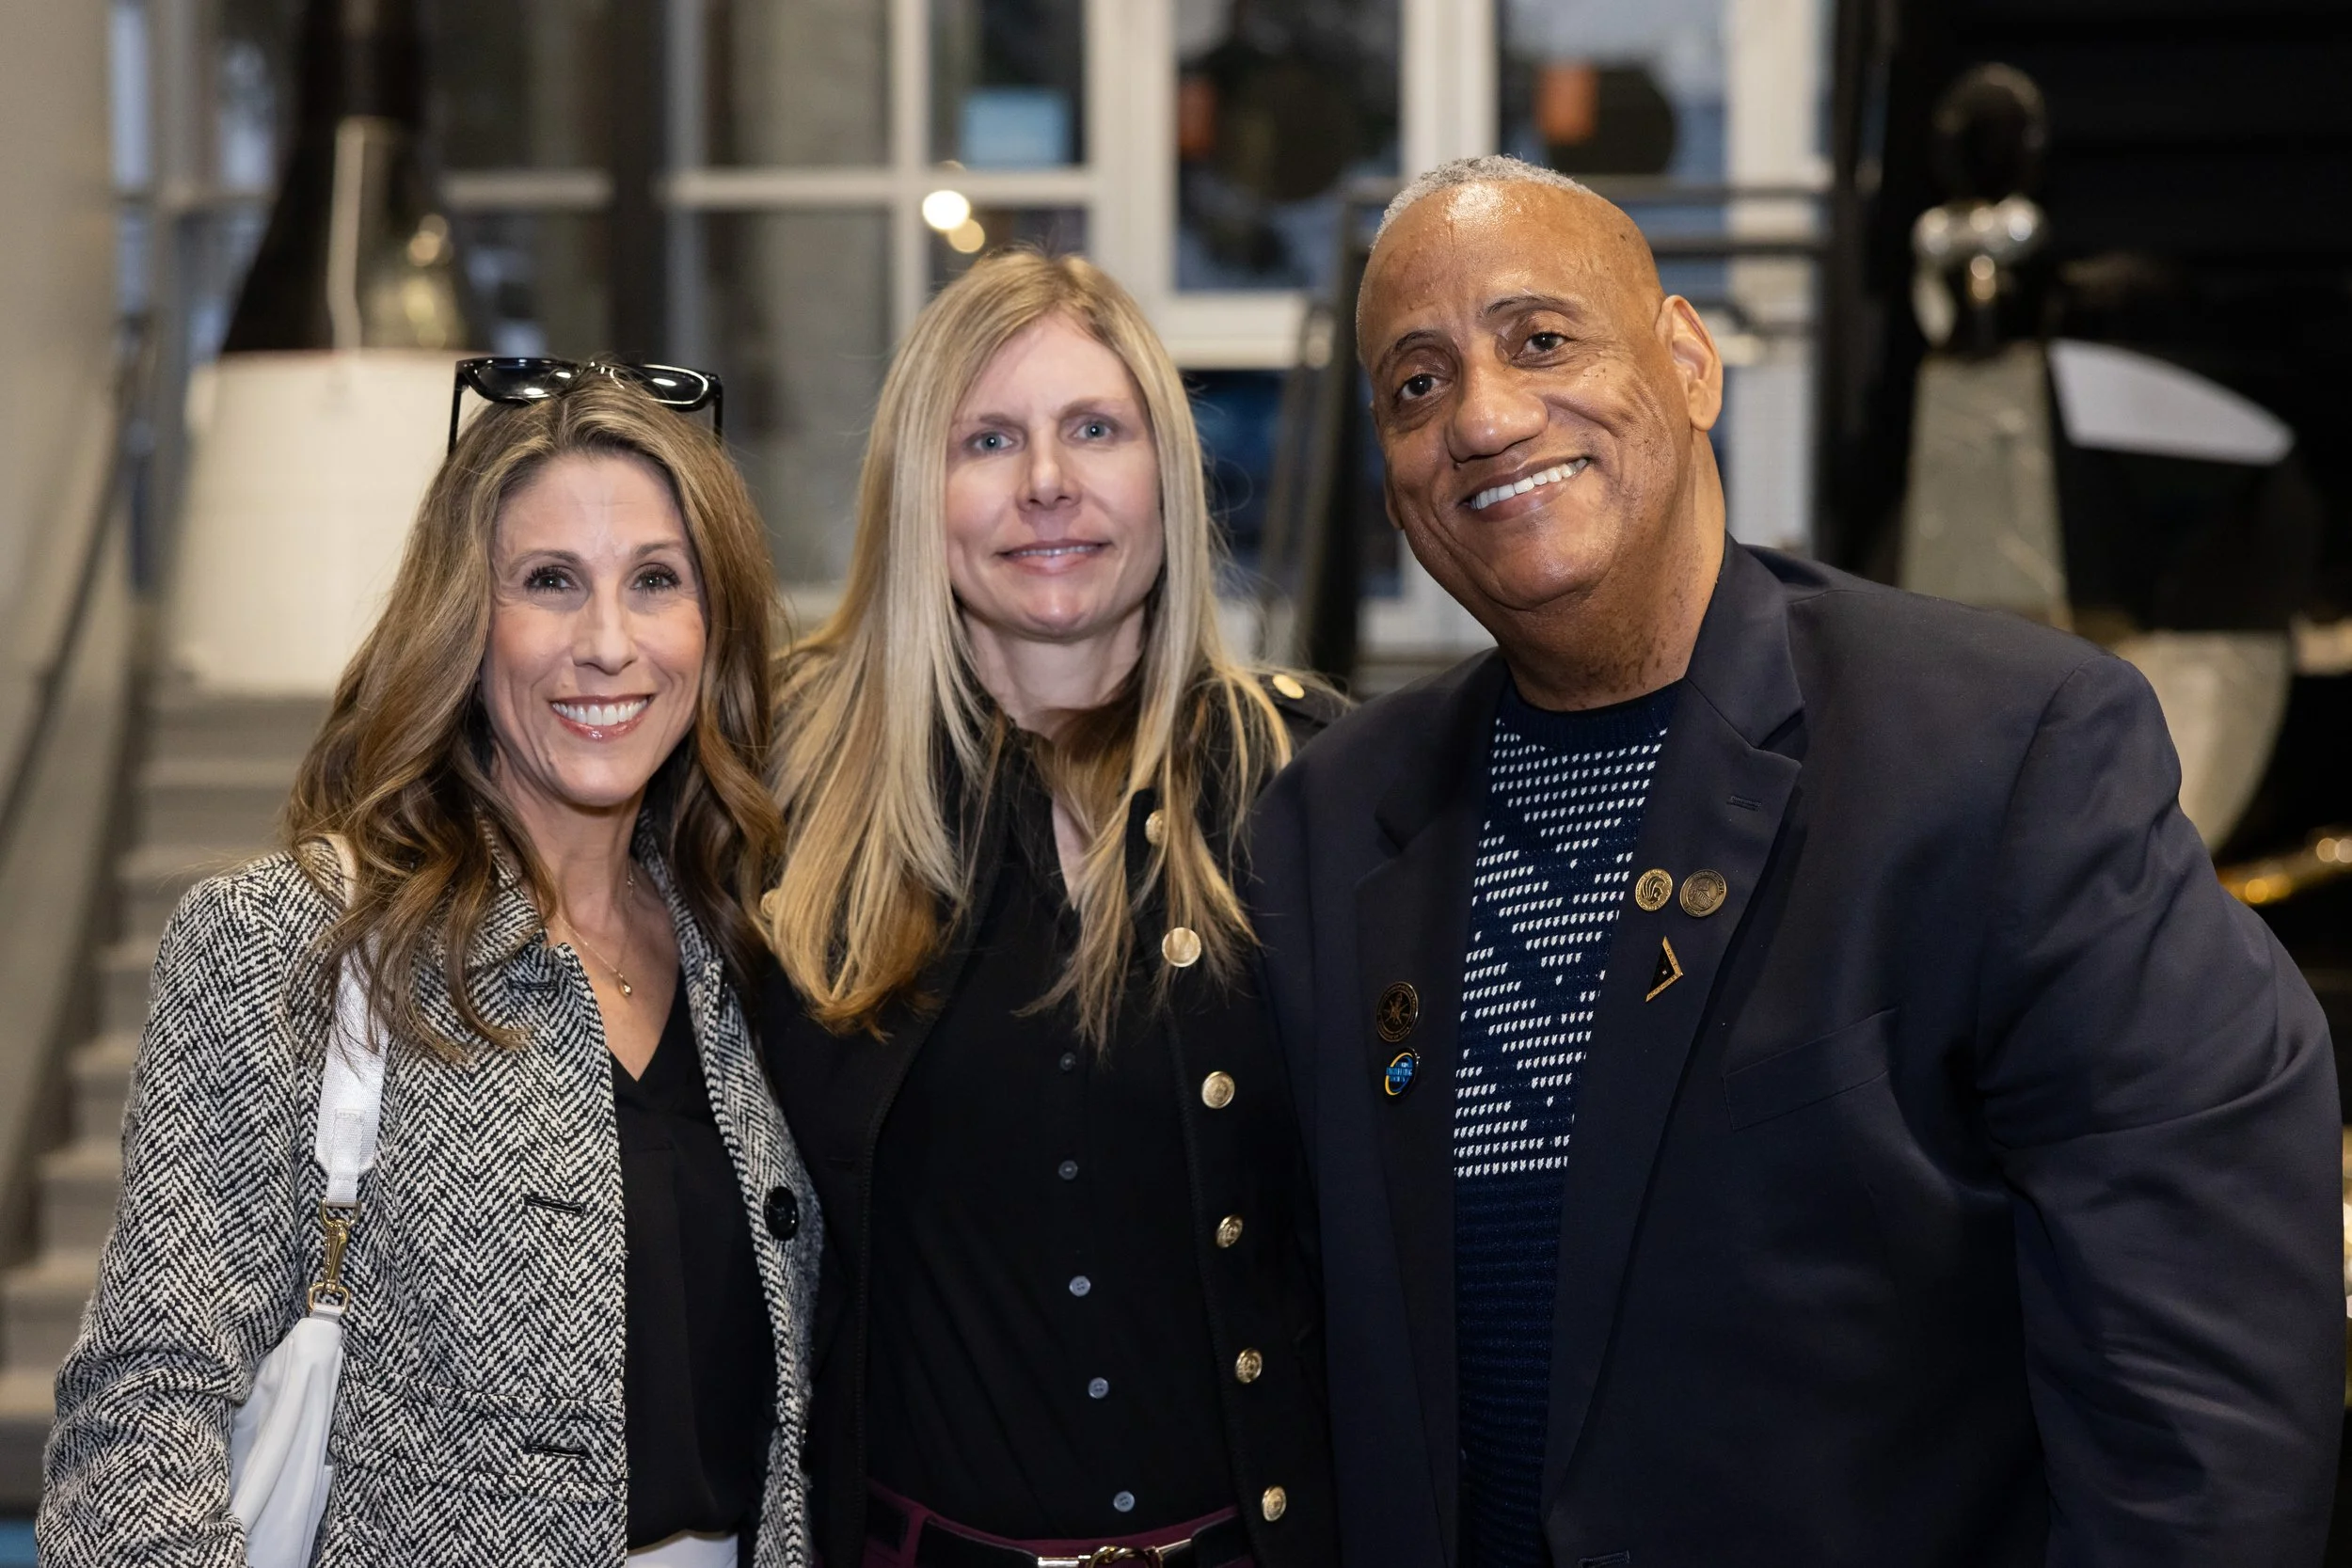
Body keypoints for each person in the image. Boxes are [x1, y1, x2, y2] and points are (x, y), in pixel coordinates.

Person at [1248, 154, 2344, 1567]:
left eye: (1543, 339)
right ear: (1391, 476)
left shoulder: (2004, 756)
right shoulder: (1329, 819)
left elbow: (2204, 1396)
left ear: (1689, 361)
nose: (1485, 415)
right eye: (1416, 382)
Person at [40, 370, 820, 1567]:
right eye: (549, 580)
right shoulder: (288, 941)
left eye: (656, 580)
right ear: (465, 618)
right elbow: (143, 1408)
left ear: (714, 626)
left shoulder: (750, 954)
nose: (607, 643)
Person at [756, 250, 1340, 1568]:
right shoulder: (782, 800)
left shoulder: (1313, 792)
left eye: (1094, 429)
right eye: (988, 439)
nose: (1045, 482)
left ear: (1166, 472)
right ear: (919, 494)